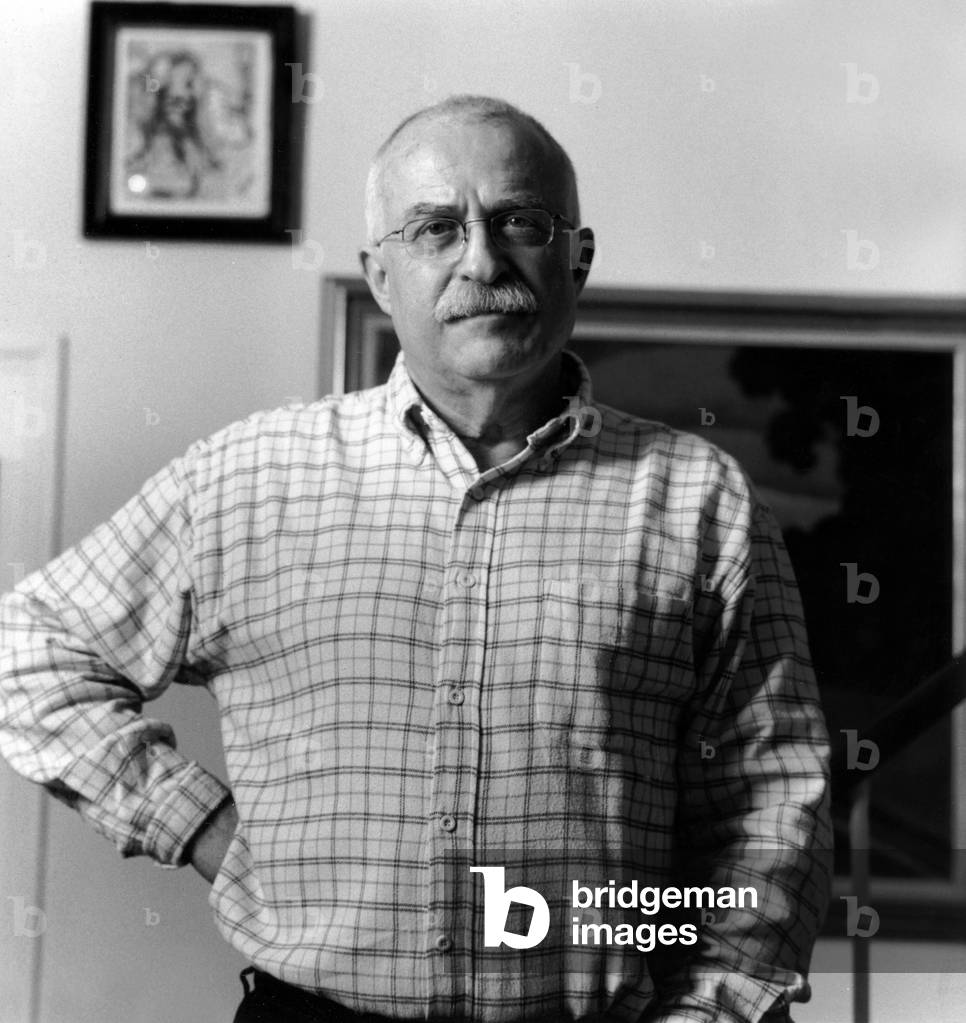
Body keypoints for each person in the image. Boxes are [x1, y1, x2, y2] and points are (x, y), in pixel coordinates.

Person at [0, 95, 831, 1022]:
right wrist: (196, 822)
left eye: (521, 221)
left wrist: (711, 1011)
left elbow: (773, 802)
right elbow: (29, 653)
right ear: (381, 275)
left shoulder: (700, 500)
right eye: (436, 228)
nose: (482, 261)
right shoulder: (245, 478)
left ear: (577, 258)